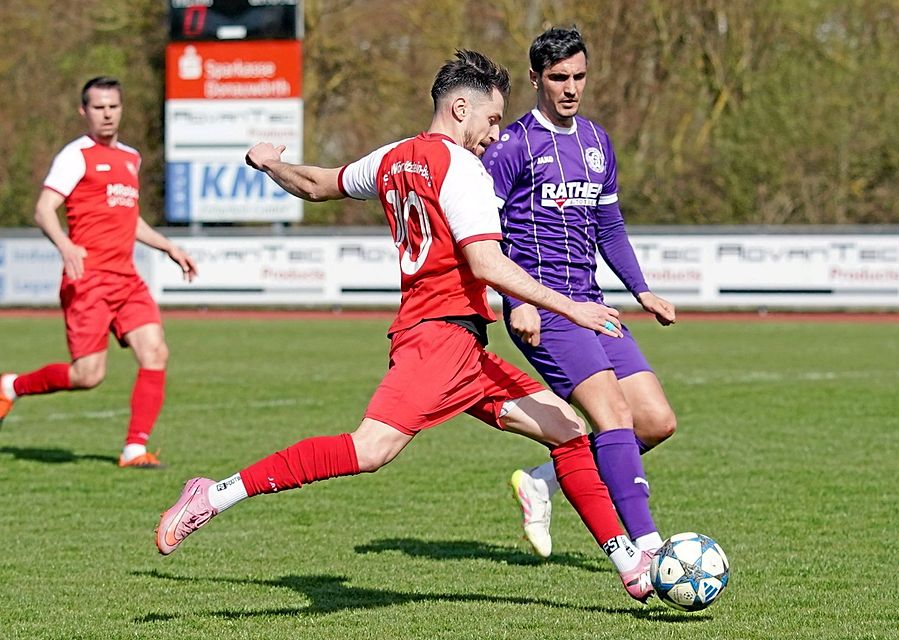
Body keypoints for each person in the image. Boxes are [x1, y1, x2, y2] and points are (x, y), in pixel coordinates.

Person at [155, 50, 654, 602]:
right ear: (460, 108)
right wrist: (571, 307)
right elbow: (487, 264)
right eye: (491, 120)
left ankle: (630, 562)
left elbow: (318, 184)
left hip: (458, 345)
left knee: (568, 428)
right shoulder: (463, 169)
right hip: (439, 340)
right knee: (370, 449)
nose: (495, 136)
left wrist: (270, 164)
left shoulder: (395, 157)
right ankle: (216, 493)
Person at [481, 28, 677, 567]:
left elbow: (609, 226)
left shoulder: (596, 141)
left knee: (655, 421)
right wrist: (516, 299)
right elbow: (484, 235)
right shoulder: (512, 146)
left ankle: (544, 480)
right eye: (559, 77)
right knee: (613, 414)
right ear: (535, 79)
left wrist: (642, 289)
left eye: (579, 76)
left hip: (592, 304)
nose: (571, 88)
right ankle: (649, 550)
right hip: (543, 307)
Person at [0, 77, 198, 468]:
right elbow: (43, 209)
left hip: (126, 280)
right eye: (98, 107)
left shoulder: (131, 158)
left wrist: (168, 246)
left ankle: (134, 449)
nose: (107, 114)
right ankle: (11, 386)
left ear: (121, 109)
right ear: (84, 111)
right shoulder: (76, 155)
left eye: (113, 106)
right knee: (87, 375)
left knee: (155, 351)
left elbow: (130, 219)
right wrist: (65, 244)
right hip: (88, 280)